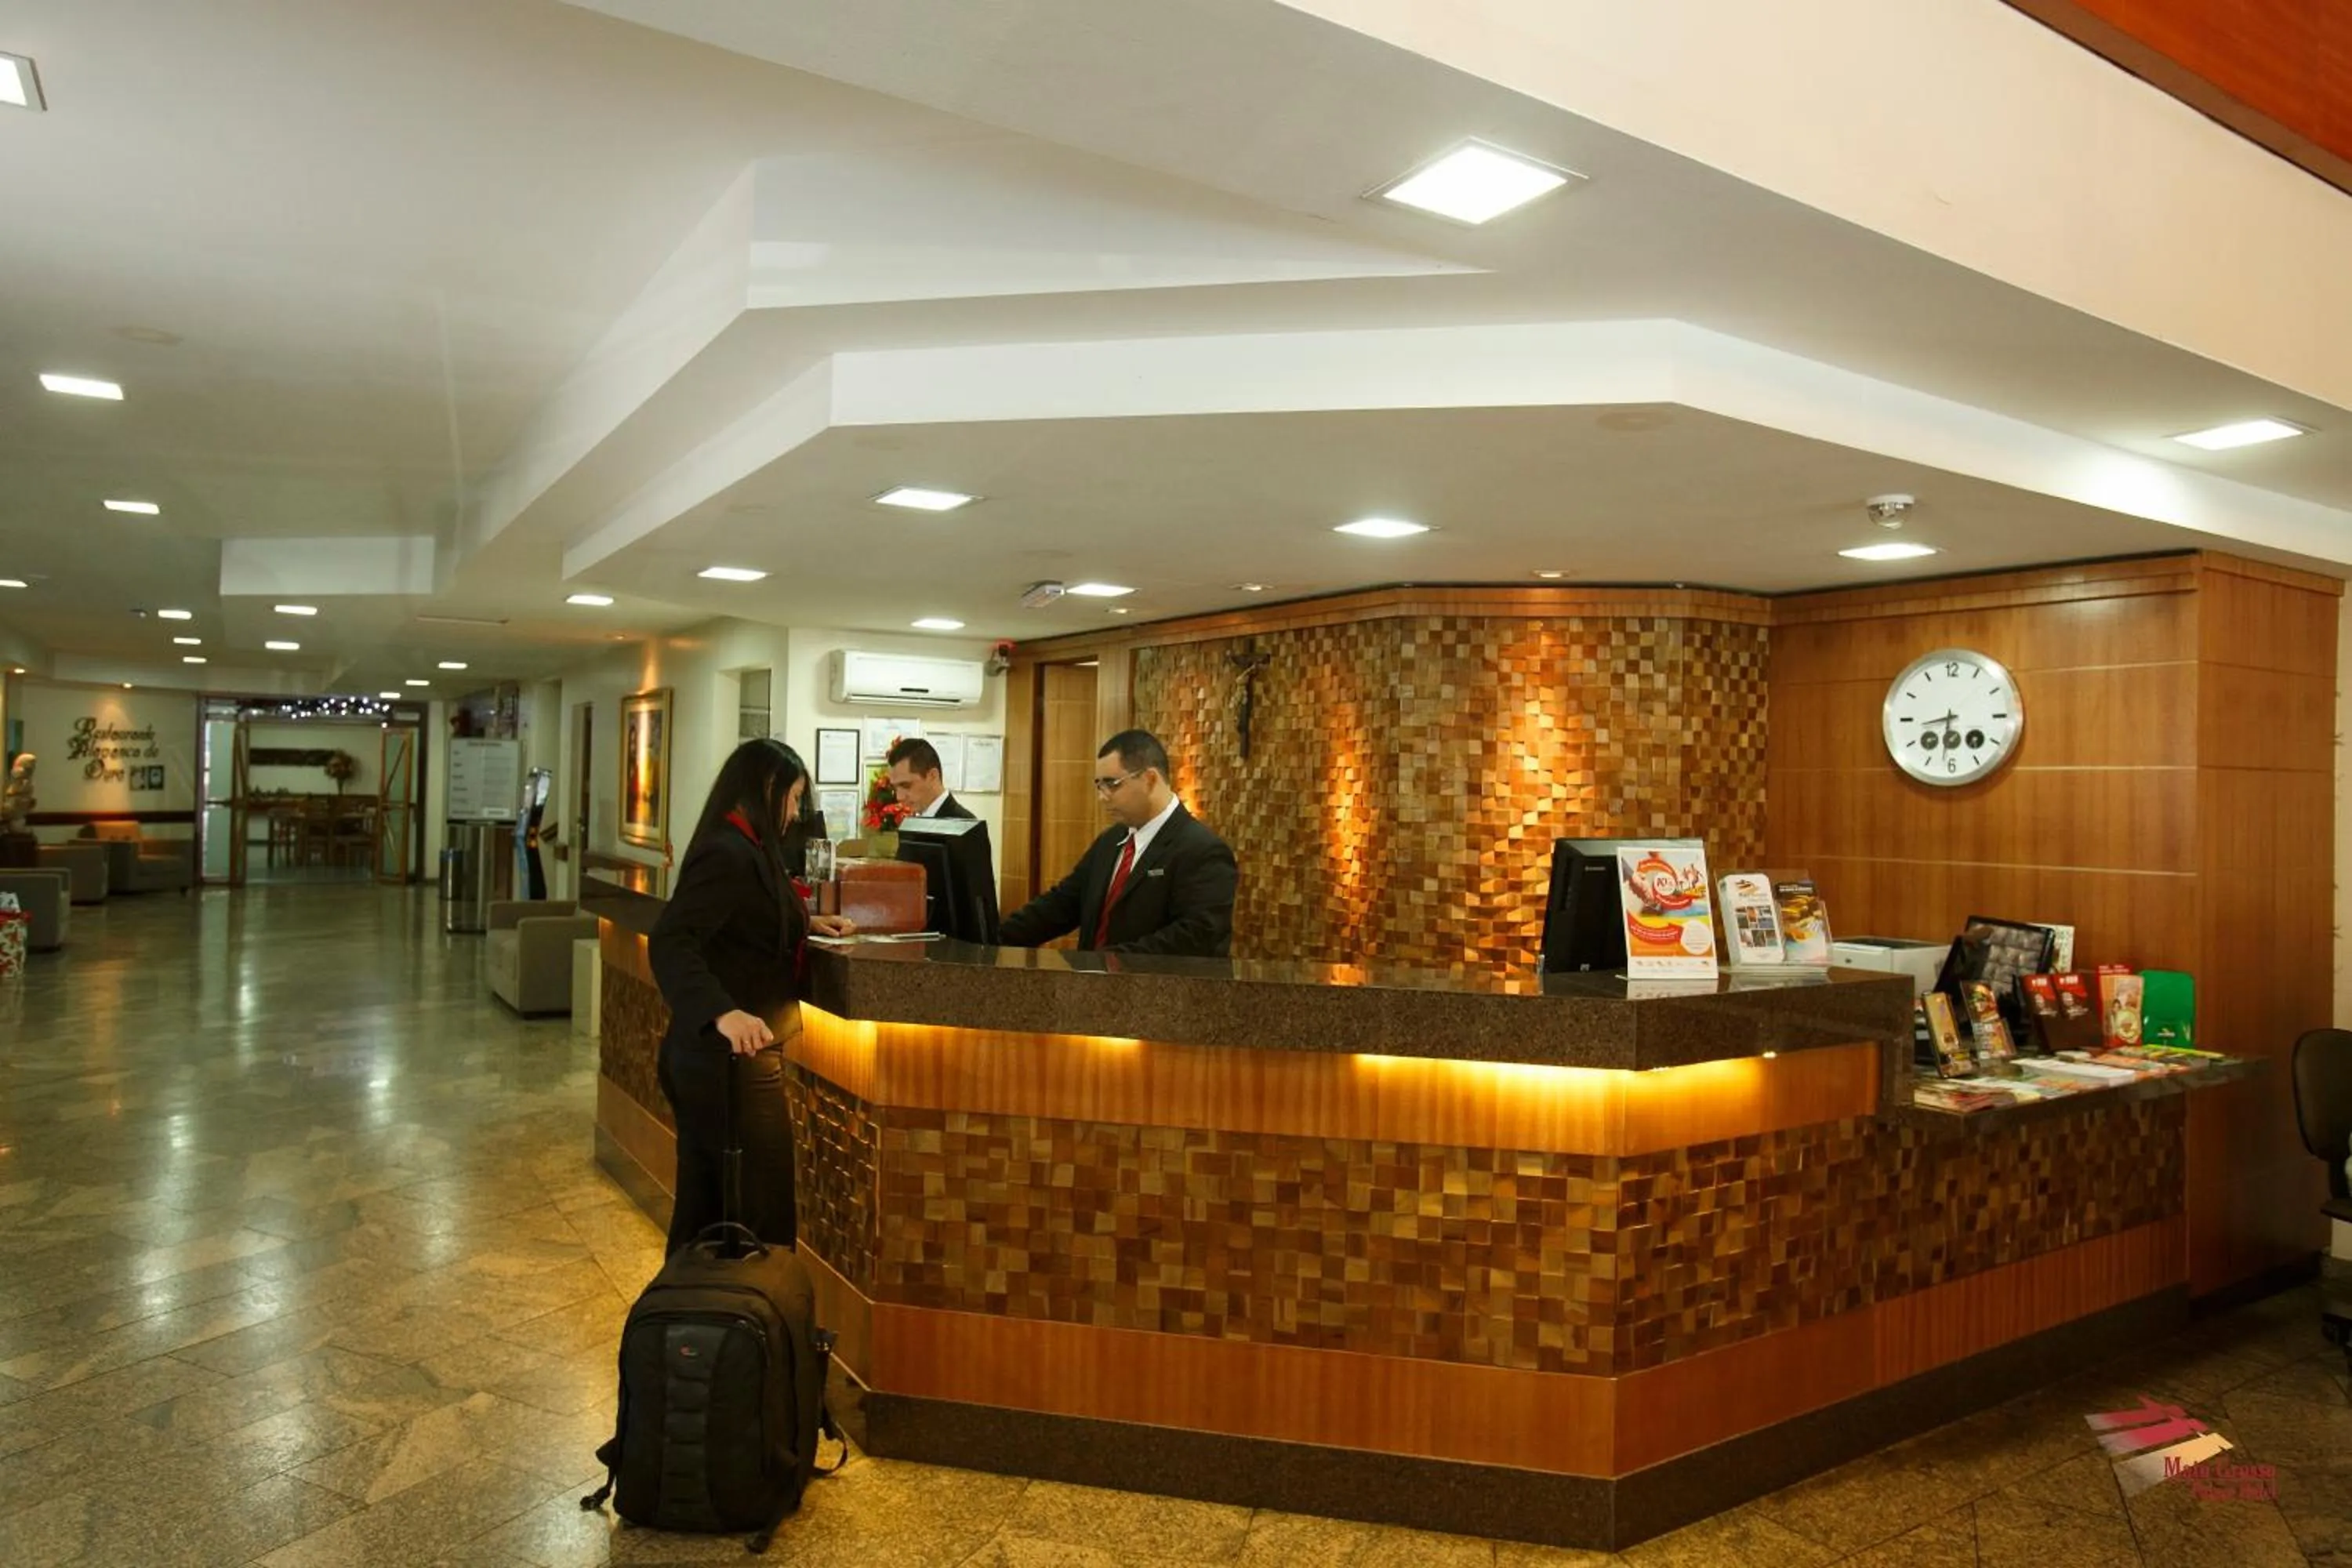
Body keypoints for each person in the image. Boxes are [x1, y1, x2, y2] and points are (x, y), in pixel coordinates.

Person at [648, 739, 854, 1256]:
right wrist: (722, 1011)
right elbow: (674, 940)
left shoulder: (748, 846)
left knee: (719, 1207)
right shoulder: (727, 851)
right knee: (746, 1211)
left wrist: (807, 922)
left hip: (738, 1060)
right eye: (791, 798)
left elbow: (747, 917)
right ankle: (733, 1325)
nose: (792, 814)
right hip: (726, 1061)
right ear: (768, 788)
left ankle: (722, 1325)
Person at [998, 728, 1236, 958]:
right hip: (1095, 989)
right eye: (1099, 785)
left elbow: (1196, 938)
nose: (1102, 797)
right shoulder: (1111, 842)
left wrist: (1108, 963)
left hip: (1157, 993)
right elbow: (1061, 905)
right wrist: (991, 938)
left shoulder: (1202, 851)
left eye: (1112, 784)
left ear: (1150, 779)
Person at [884, 737, 974, 821]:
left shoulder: (965, 826)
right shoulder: (918, 819)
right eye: (895, 788)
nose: (899, 797)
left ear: (933, 776)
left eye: (906, 785)